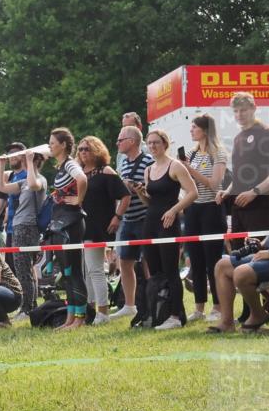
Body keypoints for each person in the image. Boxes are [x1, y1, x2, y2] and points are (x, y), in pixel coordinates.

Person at [134, 129, 198, 330]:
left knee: (171, 270)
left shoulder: (175, 165)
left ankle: (176, 315)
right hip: (150, 222)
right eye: (149, 143)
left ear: (165, 144)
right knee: (155, 272)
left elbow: (193, 192)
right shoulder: (148, 170)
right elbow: (150, 202)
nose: (152, 146)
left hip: (168, 223)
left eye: (156, 142)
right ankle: (160, 311)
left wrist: (175, 210)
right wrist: (141, 194)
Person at [37, 128, 88, 330]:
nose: (50, 146)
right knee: (66, 273)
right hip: (60, 223)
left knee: (74, 271)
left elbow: (82, 179)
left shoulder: (70, 164)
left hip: (72, 223)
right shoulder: (60, 166)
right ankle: (70, 318)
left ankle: (80, 318)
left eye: (52, 143)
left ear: (63, 145)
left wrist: (79, 199)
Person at [77, 137, 131, 324]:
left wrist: (117, 217)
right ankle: (92, 309)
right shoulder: (79, 173)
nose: (83, 152)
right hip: (81, 226)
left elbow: (125, 195)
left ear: (97, 150)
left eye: (87, 149)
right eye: (81, 149)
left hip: (99, 226)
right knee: (87, 271)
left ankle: (103, 312)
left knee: (96, 270)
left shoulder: (106, 171)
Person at [181, 115, 229, 322]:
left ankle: (218, 306)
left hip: (211, 208)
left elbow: (214, 183)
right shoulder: (191, 154)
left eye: (194, 127)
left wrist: (189, 170)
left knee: (213, 261)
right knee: (196, 262)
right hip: (193, 209)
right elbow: (188, 185)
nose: (191, 130)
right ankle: (199, 308)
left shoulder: (218, 152)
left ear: (205, 130)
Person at [109, 125, 155, 320]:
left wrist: (138, 189)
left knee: (149, 261)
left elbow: (154, 190)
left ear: (132, 141)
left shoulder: (148, 161)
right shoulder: (123, 164)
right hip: (128, 218)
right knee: (125, 262)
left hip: (144, 218)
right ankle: (130, 304)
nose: (117, 143)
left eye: (121, 140)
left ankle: (153, 300)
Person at [0, 146, 46, 319]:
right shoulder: (23, 181)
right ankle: (29, 306)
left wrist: (30, 162)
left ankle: (28, 308)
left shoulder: (38, 179)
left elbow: (33, 184)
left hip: (28, 227)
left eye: (26, 159)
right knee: (21, 268)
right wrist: (1, 165)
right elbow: (1, 187)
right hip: (18, 226)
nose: (23, 161)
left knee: (24, 269)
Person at [217, 93, 269, 235]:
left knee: (257, 256)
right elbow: (240, 175)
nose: (239, 114)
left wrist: (254, 192)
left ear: (254, 108)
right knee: (237, 255)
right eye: (235, 111)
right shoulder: (238, 137)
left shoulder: (267, 133)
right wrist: (228, 191)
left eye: (243, 110)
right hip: (237, 208)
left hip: (260, 206)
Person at [208, 234, 269, 333]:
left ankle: (258, 314)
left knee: (241, 273)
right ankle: (226, 323)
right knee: (222, 266)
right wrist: (260, 244)